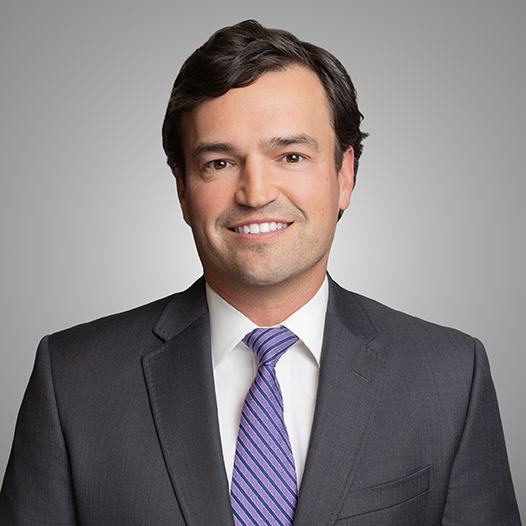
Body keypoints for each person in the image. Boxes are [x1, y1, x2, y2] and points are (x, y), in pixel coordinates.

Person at [0, 19, 521, 526]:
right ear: (182, 189)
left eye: (290, 156)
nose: (255, 193)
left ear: (345, 175)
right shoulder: (72, 380)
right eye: (219, 163)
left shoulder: (451, 376)